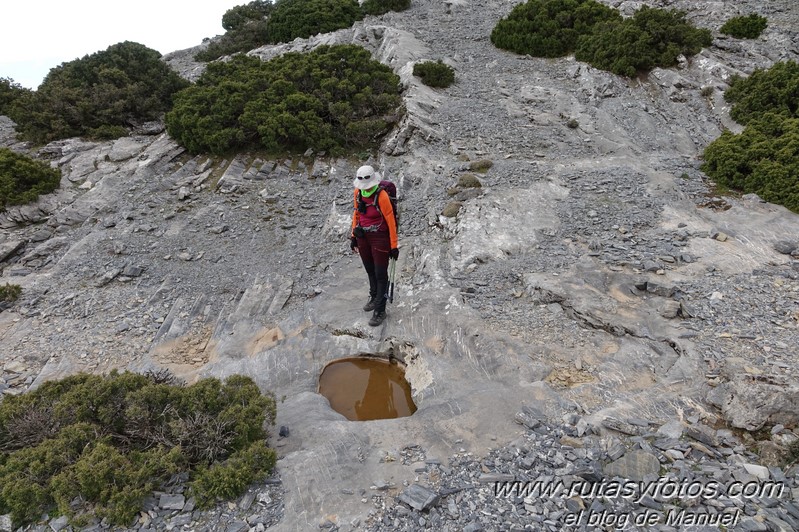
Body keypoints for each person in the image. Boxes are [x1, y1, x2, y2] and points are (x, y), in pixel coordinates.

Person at [350, 165, 398, 327]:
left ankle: (380, 310)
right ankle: (374, 296)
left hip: (380, 238)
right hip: (363, 236)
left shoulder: (382, 196)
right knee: (370, 270)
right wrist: (353, 237)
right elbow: (356, 214)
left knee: (380, 274)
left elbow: (391, 222)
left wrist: (393, 246)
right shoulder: (358, 193)